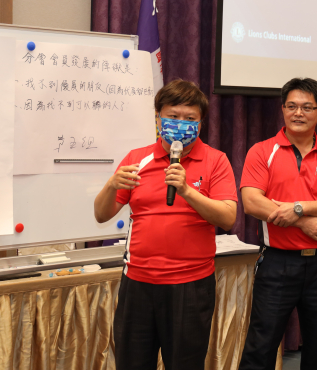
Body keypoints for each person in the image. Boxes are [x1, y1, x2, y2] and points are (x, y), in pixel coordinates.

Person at [93, 79, 238, 370]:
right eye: (173, 116)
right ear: (158, 117)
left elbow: (227, 217)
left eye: (190, 118)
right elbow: (101, 215)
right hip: (138, 282)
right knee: (132, 363)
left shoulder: (216, 160)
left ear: (201, 123)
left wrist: (187, 191)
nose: (181, 123)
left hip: (191, 285)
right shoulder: (137, 158)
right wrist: (111, 185)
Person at [238, 77, 317, 370]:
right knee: (261, 346)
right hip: (277, 263)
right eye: (291, 106)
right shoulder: (262, 151)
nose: (298, 113)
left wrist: (299, 209)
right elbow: (252, 202)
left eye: (307, 107)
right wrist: (303, 223)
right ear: (283, 109)